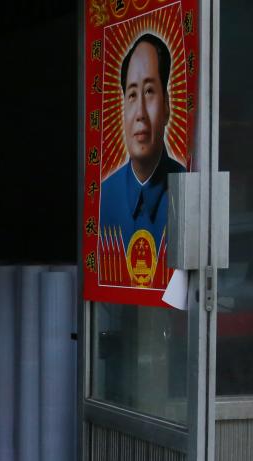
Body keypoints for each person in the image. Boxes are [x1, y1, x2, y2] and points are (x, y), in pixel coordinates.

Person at [98, 33, 186, 287]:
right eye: (132, 95)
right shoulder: (105, 197)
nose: (140, 114)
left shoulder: (186, 191)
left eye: (149, 91)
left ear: (167, 105)